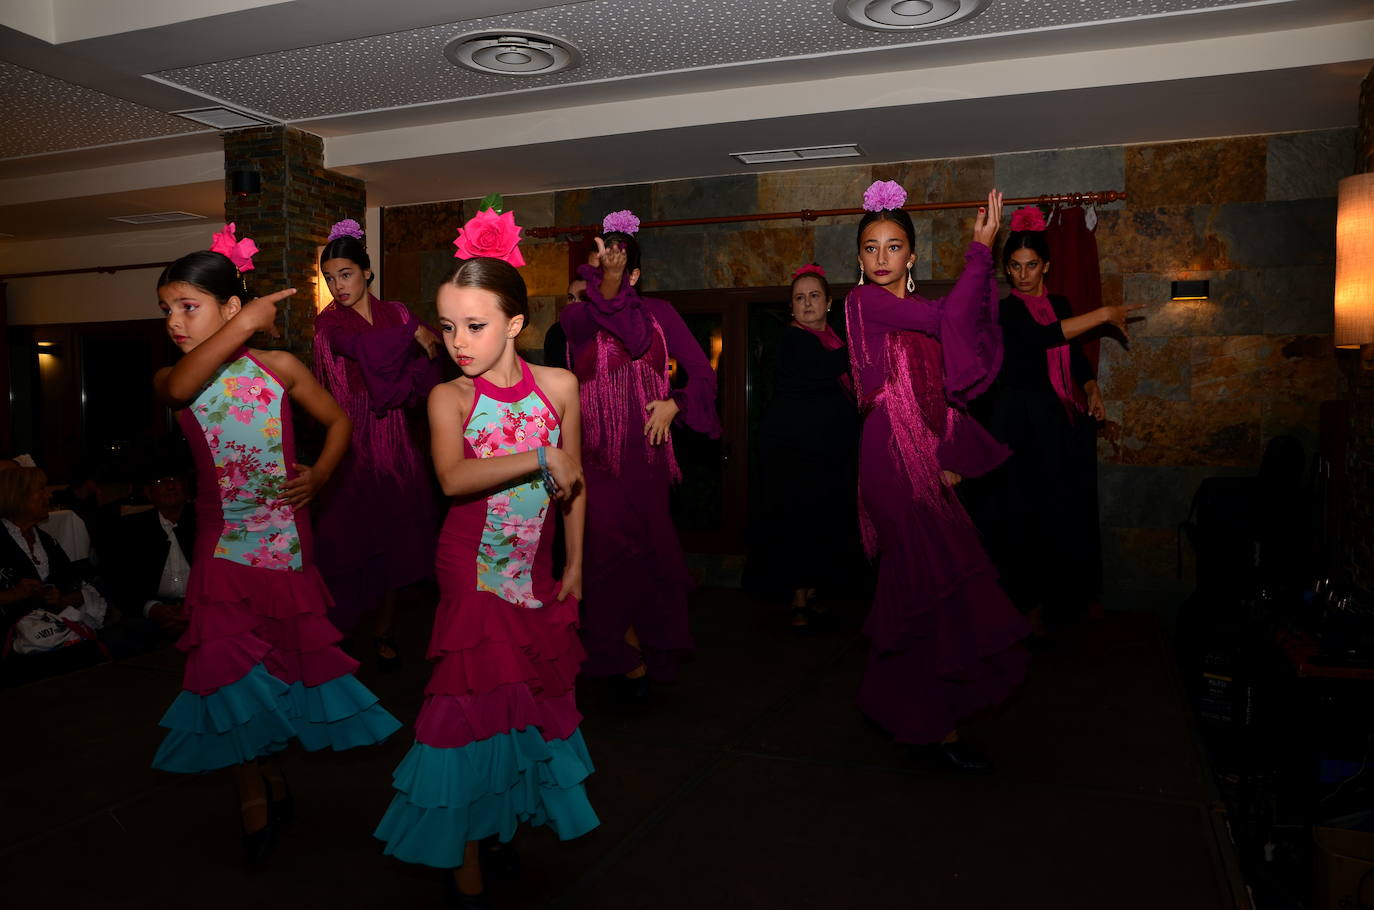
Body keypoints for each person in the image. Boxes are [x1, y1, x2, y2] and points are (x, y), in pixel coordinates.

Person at [151, 226, 400, 862]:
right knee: (228, 676)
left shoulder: (280, 367)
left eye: (188, 306)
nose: (175, 322)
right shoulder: (173, 378)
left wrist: (319, 474)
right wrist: (244, 323)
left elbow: (340, 421)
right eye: (168, 310)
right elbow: (183, 390)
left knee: (279, 668)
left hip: (287, 549)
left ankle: (270, 765)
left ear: (229, 308)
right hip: (222, 554)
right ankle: (251, 791)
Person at [374, 203, 597, 906]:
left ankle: (498, 822)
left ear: (514, 324)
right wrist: (538, 455)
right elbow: (452, 478)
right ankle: (461, 851)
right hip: (470, 572)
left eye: (474, 325)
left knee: (523, 704)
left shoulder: (559, 387)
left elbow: (575, 483)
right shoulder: (449, 397)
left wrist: (576, 565)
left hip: (533, 570)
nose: (458, 341)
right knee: (468, 712)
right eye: (446, 326)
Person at [845, 181, 1028, 773]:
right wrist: (980, 251)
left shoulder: (919, 319)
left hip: (922, 454)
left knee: (918, 591)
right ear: (859, 259)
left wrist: (950, 456)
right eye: (870, 247)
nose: (880, 258)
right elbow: (950, 315)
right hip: (887, 459)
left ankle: (903, 710)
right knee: (936, 583)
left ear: (911, 257)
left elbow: (944, 386)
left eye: (892, 247)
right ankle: (935, 728)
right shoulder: (862, 303)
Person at [559, 209, 721, 697]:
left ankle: (644, 646)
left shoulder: (663, 316)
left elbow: (706, 377)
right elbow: (618, 328)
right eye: (596, 264)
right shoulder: (578, 317)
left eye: (614, 264)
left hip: (648, 458)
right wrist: (604, 282)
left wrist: (677, 402)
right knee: (609, 551)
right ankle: (619, 651)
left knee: (649, 556)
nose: (602, 272)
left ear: (635, 274)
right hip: (596, 459)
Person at [963, 207, 1138, 640]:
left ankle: (1065, 603)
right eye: (1015, 267)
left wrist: (1092, 388)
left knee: (1064, 514)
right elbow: (1045, 338)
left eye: (1031, 266)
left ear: (1046, 266)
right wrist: (1102, 315)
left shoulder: (1058, 304)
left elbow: (1072, 352)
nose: (1022, 276)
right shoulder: (1007, 312)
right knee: (1027, 521)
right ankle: (1028, 608)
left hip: (1060, 424)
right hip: (1022, 428)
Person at [313, 219, 441, 667]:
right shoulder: (328, 324)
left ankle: (385, 629)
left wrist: (413, 366)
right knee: (346, 541)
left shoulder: (399, 312)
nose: (337, 285)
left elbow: (429, 363)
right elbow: (360, 347)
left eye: (345, 274)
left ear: (367, 273)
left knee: (397, 540)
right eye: (329, 278)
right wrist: (414, 335)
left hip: (398, 438)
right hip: (351, 439)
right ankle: (339, 631)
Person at [746, 264, 858, 630]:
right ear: (791, 307)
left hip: (826, 450)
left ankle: (811, 592)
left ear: (827, 303)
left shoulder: (834, 339)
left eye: (813, 296)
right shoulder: (794, 339)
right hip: (792, 452)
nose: (807, 304)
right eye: (799, 298)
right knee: (797, 518)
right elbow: (833, 366)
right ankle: (797, 597)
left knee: (822, 518)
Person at [0, 467, 108, 683]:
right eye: (41, 490)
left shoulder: (47, 541)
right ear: (17, 496)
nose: (49, 495)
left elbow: (77, 588)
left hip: (54, 637)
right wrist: (12, 595)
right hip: (13, 642)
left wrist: (61, 599)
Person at [110, 463, 196, 638]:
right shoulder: (131, 528)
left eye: (175, 480)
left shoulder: (206, 523)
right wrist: (152, 609)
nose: (170, 486)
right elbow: (119, 582)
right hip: (153, 608)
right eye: (160, 481)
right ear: (149, 493)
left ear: (185, 487)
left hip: (203, 607)